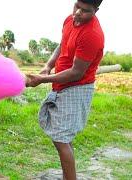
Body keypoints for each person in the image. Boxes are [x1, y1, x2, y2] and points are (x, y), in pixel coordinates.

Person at [26, 0, 104, 179]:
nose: (77, 13)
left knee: (61, 139)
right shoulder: (70, 20)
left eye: (85, 11)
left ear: (96, 11)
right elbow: (62, 45)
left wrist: (42, 79)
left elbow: (76, 73)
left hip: (77, 87)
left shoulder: (92, 35)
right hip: (62, 84)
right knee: (62, 137)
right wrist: (48, 66)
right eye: (77, 6)